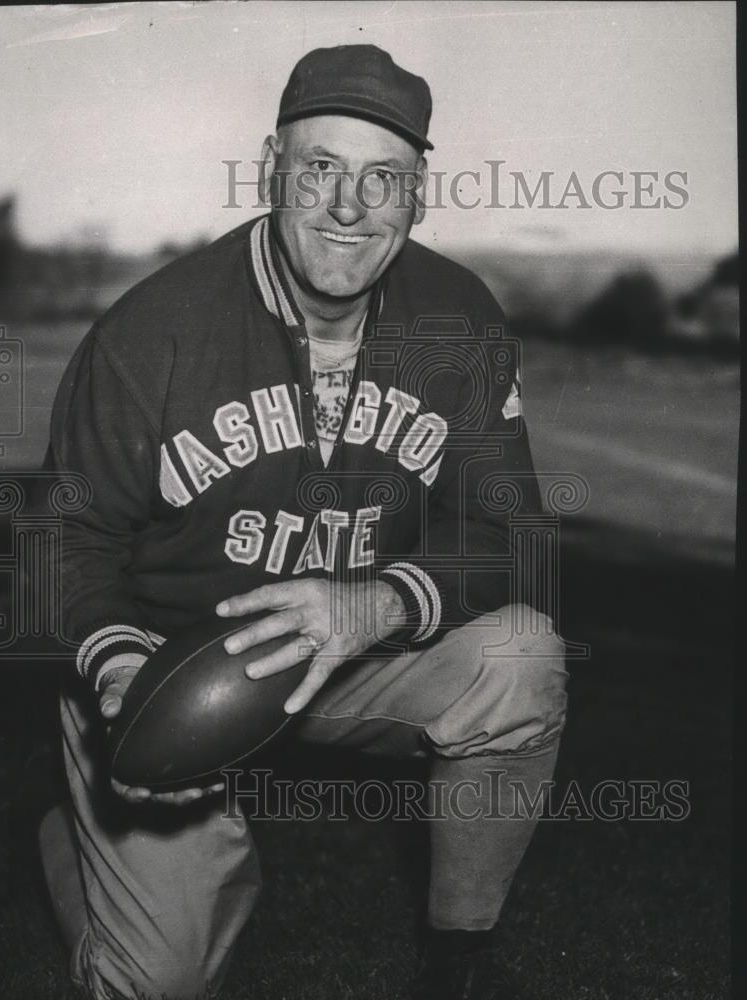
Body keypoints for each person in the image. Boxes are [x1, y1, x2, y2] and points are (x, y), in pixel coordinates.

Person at [41, 44, 568, 1000]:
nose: (349, 207)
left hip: (352, 652)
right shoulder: (153, 330)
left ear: (418, 195)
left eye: (384, 179)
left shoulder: (459, 317)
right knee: (155, 981)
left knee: (520, 661)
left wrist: (376, 608)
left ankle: (458, 963)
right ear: (272, 166)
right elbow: (65, 544)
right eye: (321, 167)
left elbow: (505, 535)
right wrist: (124, 675)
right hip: (174, 667)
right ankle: (80, 840)